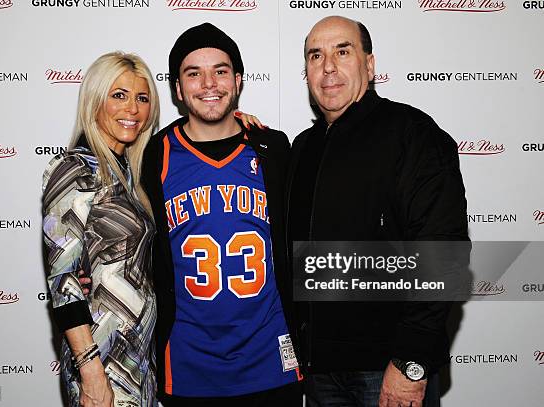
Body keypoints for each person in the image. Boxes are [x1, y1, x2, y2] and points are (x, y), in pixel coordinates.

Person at [288, 16, 469, 407]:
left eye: (343, 51)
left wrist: (411, 364)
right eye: (315, 55)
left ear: (369, 65)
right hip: (319, 375)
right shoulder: (303, 148)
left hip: (388, 370)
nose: (328, 66)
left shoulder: (413, 134)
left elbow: (443, 254)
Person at [140, 23, 302, 407]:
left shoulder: (273, 148)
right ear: (178, 89)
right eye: (193, 73)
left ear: (238, 81)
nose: (208, 83)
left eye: (221, 71)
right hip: (189, 364)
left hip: (271, 360)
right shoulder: (156, 154)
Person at [42, 51, 160, 407]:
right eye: (119, 95)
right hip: (102, 357)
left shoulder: (130, 174)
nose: (133, 109)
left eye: (142, 98)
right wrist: (90, 371)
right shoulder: (76, 170)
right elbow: (63, 283)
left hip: (138, 356)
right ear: (95, 100)